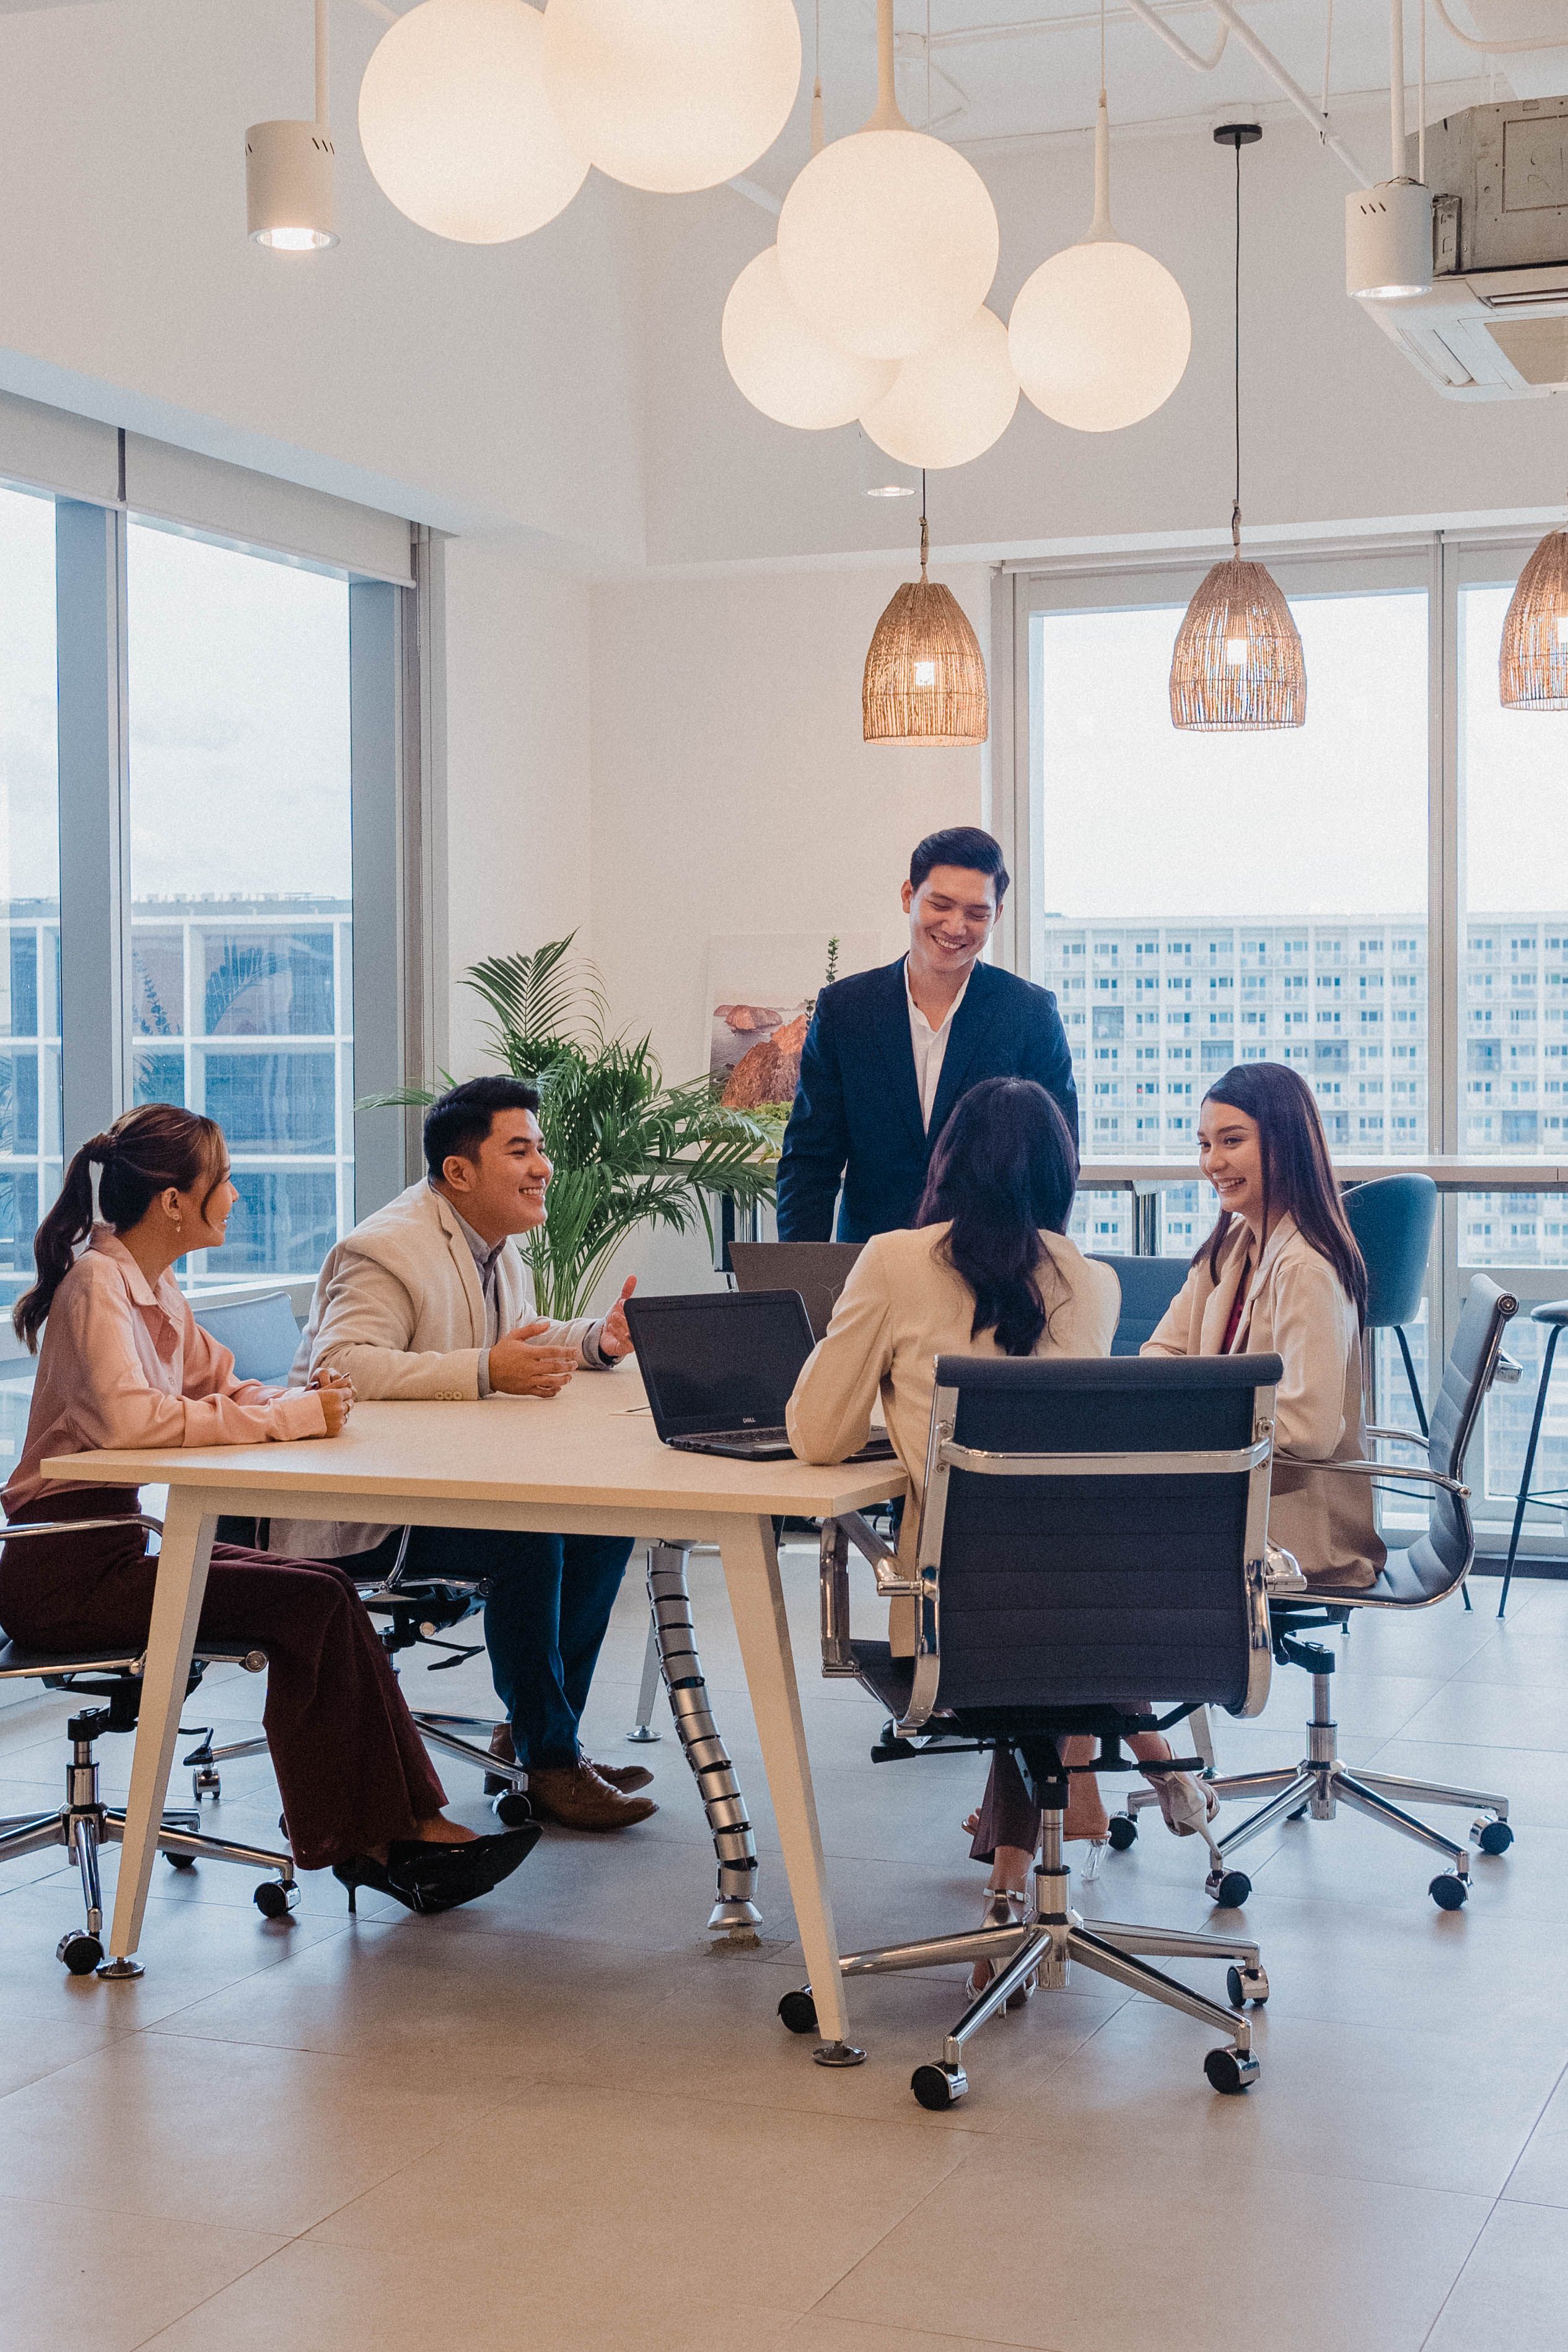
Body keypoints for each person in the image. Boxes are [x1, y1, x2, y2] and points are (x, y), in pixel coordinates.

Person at [0, 1105, 534, 1918]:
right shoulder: (96, 1288)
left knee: (318, 1586)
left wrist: (300, 1399)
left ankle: (403, 1828)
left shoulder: (151, 1285)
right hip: (65, 1570)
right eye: (222, 1182)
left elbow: (222, 1385)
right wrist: (285, 1418)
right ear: (175, 1200)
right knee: (309, 1599)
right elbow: (131, 1420)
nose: (238, 1196)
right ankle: (374, 1840)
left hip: (117, 1548)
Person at [787, 1077, 1136, 1989]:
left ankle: (1011, 1876)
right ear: (1061, 1175)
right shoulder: (1092, 1282)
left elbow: (817, 1437)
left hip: (950, 1627)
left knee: (995, 1598)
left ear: (945, 1166)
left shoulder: (894, 1261)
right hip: (1087, 1620)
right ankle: (1050, 1850)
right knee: (1041, 1606)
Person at [270, 1076, 656, 1835]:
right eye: (520, 1150)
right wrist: (483, 1369)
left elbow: (516, 1337)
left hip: (431, 1495)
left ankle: (542, 1735)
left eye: (540, 1148)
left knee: (604, 1523)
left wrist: (595, 1340)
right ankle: (550, 1762)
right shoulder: (383, 1248)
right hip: (357, 1514)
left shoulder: (493, 1246)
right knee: (527, 1540)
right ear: (458, 1172)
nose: (543, 1165)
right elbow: (344, 1364)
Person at [1043, 1058, 1382, 1864]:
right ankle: (1129, 1781)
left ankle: (1065, 1810)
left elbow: (1302, 1425)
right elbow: (1163, 1348)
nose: (1211, 1162)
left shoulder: (1303, 1266)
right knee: (1058, 1558)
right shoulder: (1234, 1244)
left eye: (1230, 1141)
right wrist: (1183, 1403)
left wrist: (1189, 1418)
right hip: (1238, 1495)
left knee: (1069, 1571)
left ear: (1285, 1143)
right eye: (1203, 1143)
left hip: (1299, 1524)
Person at [775, 827, 1077, 1243]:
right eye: (940, 905)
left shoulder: (1028, 1013)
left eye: (976, 913)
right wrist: (800, 1279)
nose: (956, 927)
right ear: (907, 896)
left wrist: (1035, 1268)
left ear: (998, 914)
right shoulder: (846, 1010)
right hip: (869, 1262)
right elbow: (809, 1161)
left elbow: (1056, 1160)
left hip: (989, 1265)